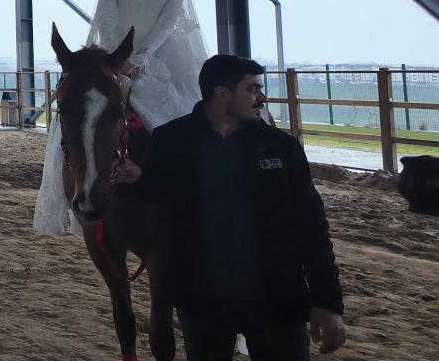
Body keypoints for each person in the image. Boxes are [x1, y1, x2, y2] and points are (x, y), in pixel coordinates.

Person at [113, 55, 345, 361]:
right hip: (202, 302)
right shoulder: (172, 140)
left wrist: (327, 303)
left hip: (276, 300)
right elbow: (161, 197)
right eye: (252, 89)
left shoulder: (281, 147)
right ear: (222, 94)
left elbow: (312, 227)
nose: (262, 97)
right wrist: (138, 180)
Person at [34, 0, 209, 236]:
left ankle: (181, 188)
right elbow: (107, 11)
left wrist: (141, 56)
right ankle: (70, 187)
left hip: (158, 55)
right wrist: (117, 57)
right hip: (113, 53)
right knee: (73, 119)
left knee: (184, 114)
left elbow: (170, 19)